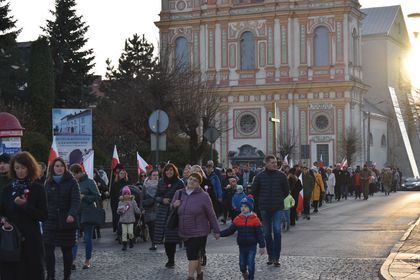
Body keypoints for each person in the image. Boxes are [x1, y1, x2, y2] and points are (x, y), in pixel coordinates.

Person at [0, 151, 48, 280]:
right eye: (17, 168)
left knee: (32, 272)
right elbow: (2, 211)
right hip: (11, 240)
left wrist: (25, 205)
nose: (20, 171)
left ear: (29, 168)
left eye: (23, 168)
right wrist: (3, 220)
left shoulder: (38, 189)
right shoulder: (8, 189)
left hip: (31, 238)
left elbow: (43, 215)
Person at [172, 172, 220, 280]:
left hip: (200, 231)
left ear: (199, 183)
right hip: (184, 230)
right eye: (190, 179)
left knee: (192, 255)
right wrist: (174, 205)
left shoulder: (204, 196)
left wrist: (216, 230)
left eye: (195, 180)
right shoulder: (179, 193)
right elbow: (173, 206)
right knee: (195, 254)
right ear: (187, 180)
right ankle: (199, 274)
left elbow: (211, 214)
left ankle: (190, 277)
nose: (192, 181)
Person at [44, 157, 81, 280]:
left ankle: (67, 275)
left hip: (67, 221)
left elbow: (76, 200)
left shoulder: (72, 181)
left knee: (67, 250)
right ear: (52, 168)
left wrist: (72, 214)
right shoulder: (47, 182)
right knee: (48, 249)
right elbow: (44, 201)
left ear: (65, 168)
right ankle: (50, 275)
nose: (59, 168)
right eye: (56, 166)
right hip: (50, 220)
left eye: (61, 166)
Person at [251, 155, 289, 267]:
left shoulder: (282, 176)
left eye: (276, 162)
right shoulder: (260, 176)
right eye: (272, 162)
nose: (275, 164)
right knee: (267, 233)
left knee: (277, 231)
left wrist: (279, 198)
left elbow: (286, 191)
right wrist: (260, 202)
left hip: (277, 208)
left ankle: (276, 257)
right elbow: (254, 191)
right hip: (264, 208)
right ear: (266, 163)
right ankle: (270, 256)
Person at [220, 195, 266, 280]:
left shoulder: (255, 220)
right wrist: (219, 234)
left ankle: (251, 278)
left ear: (250, 207)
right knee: (242, 264)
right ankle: (244, 272)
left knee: (251, 264)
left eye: (245, 206)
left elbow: (260, 234)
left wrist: (262, 246)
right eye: (241, 206)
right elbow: (230, 230)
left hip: (252, 246)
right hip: (242, 246)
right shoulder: (238, 219)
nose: (243, 208)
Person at [69, 164, 101, 270]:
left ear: (79, 173)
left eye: (73, 175)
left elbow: (97, 196)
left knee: (87, 237)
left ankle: (87, 260)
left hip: (88, 212)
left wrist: (84, 197)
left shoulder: (90, 182)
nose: (72, 177)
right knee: (74, 237)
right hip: (75, 212)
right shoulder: (73, 183)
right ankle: (72, 260)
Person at [153, 163, 184, 268]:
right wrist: (162, 200)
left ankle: (172, 259)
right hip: (162, 212)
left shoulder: (179, 183)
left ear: (174, 171)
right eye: (167, 170)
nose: (169, 172)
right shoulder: (161, 182)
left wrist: (174, 202)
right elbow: (156, 196)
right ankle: (169, 258)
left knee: (172, 237)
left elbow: (183, 196)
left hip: (174, 212)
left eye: (171, 170)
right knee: (166, 238)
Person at [118, 186, 141, 250]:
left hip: (131, 219)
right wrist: (120, 211)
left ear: (130, 194)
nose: (126, 195)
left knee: (130, 232)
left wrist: (140, 212)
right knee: (124, 233)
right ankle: (124, 245)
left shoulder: (133, 202)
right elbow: (118, 211)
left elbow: (136, 209)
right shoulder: (121, 202)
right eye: (125, 194)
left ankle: (131, 241)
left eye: (128, 194)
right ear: (123, 195)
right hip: (123, 220)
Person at [142, 170, 159, 250]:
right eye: (154, 175)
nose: (156, 176)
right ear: (150, 176)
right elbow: (142, 198)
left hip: (158, 209)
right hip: (148, 209)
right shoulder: (145, 186)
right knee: (151, 228)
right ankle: (153, 243)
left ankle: (157, 241)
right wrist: (142, 208)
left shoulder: (161, 185)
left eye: (157, 175)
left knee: (157, 227)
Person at [110, 167, 130, 233]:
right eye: (121, 173)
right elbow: (112, 195)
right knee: (117, 217)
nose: (122, 175)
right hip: (116, 203)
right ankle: (118, 231)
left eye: (124, 173)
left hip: (126, 202)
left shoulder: (127, 182)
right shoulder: (114, 183)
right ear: (118, 174)